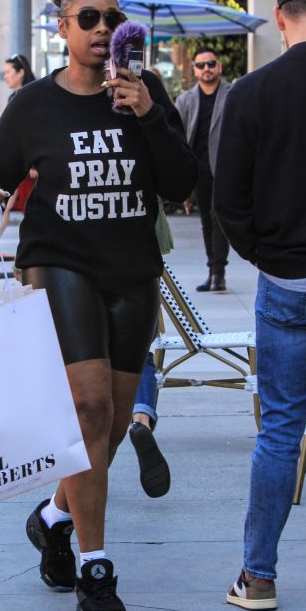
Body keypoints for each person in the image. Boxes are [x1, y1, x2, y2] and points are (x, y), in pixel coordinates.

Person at [0, 0, 197, 611]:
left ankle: (52, 518)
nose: (101, 27)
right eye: (87, 17)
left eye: (111, 17)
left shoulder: (143, 94)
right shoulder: (33, 105)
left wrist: (149, 115)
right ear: (62, 27)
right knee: (89, 407)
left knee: (102, 429)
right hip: (60, 264)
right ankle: (95, 567)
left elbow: (181, 184)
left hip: (131, 270)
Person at [214, 0, 306, 611]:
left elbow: (227, 200)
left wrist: (267, 255)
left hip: (283, 279)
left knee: (279, 430)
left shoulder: (250, 93)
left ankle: (257, 577)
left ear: (280, 18)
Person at [175, 48, 232, 292]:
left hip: (226, 167)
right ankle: (213, 271)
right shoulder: (186, 100)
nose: (206, 68)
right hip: (198, 168)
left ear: (219, 66)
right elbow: (177, 137)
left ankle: (218, 272)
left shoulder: (234, 94)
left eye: (211, 63)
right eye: (201, 65)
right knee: (206, 222)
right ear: (194, 70)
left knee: (218, 218)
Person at [128, 198, 173, 498]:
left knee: (85, 361)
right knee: (137, 353)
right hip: (140, 247)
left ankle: (91, 447)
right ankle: (141, 418)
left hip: (80, 257)